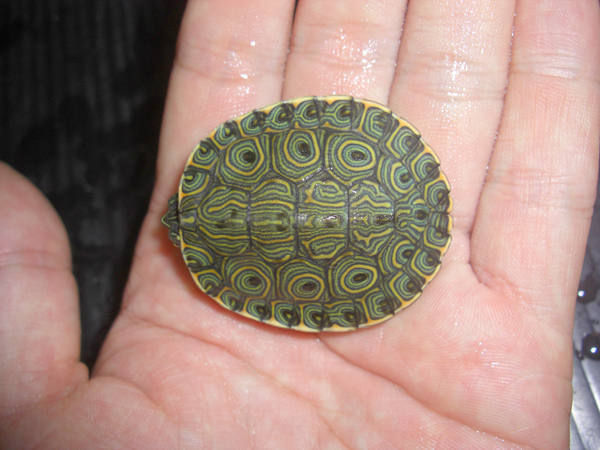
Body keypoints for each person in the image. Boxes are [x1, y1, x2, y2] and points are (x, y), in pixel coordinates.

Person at [1, 0, 599, 448]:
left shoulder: (219, 270)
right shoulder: (216, 181)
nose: (171, 225)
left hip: (381, 224)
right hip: (379, 178)